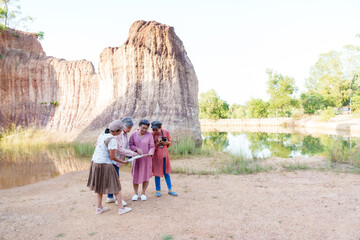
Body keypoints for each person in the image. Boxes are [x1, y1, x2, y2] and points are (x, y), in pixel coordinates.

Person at [87, 120, 132, 215]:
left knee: (99, 186)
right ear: (116, 131)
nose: (121, 132)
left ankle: (99, 208)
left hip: (95, 162)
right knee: (115, 185)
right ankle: (121, 208)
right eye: (121, 130)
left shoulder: (102, 134)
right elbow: (112, 157)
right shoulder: (112, 140)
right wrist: (123, 161)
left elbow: (96, 146)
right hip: (105, 164)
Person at [106, 117, 138, 205]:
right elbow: (119, 149)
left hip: (118, 160)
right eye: (129, 128)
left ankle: (110, 197)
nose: (129, 130)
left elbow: (125, 147)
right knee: (116, 179)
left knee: (112, 178)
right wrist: (132, 153)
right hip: (114, 160)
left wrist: (130, 154)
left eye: (130, 128)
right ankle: (117, 200)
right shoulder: (118, 134)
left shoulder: (125, 134)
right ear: (124, 126)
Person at [129, 119, 155, 201]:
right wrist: (136, 149)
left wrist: (151, 151)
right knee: (135, 176)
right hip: (136, 159)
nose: (144, 130)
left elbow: (152, 146)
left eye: (146, 128)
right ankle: (136, 193)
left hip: (146, 159)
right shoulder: (133, 134)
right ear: (139, 126)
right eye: (143, 128)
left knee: (146, 176)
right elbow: (130, 145)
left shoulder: (149, 135)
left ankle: (143, 193)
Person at [151, 121, 177, 197]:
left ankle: (170, 190)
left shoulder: (166, 132)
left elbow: (170, 141)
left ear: (160, 127)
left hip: (165, 155)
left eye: (156, 130)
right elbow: (151, 146)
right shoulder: (152, 135)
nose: (155, 131)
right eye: (153, 130)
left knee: (166, 172)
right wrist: (157, 144)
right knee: (157, 173)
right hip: (156, 156)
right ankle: (158, 190)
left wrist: (166, 143)